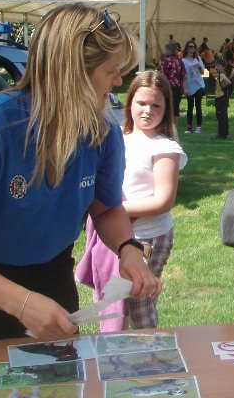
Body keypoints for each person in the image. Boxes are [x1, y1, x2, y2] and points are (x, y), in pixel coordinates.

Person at [0, 4, 161, 397]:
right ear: (71, 75)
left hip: (48, 278)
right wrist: (21, 302)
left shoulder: (101, 132)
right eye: (111, 70)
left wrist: (129, 250)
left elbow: (106, 207)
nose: (119, 81)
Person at [78, 70, 186, 330]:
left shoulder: (164, 148)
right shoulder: (117, 138)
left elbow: (163, 200)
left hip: (146, 238)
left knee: (138, 301)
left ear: (167, 109)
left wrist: (113, 210)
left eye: (156, 105)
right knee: (110, 301)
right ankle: (114, 354)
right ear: (130, 104)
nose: (147, 110)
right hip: (111, 240)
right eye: (141, 103)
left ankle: (149, 355)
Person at [181, 40, 206, 134]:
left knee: (198, 105)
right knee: (190, 106)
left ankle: (198, 127)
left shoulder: (198, 59)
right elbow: (183, 75)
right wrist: (185, 87)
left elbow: (203, 72)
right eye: (190, 47)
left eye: (193, 47)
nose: (192, 49)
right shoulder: (183, 61)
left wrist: (199, 67)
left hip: (199, 85)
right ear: (186, 48)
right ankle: (189, 127)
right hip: (189, 85)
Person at [160, 42, 185, 130]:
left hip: (168, 86)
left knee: (167, 107)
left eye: (166, 50)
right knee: (176, 109)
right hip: (177, 87)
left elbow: (163, 75)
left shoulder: (166, 61)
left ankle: (167, 128)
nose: (165, 51)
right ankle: (175, 129)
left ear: (169, 50)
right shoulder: (180, 61)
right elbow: (183, 75)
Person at [212, 58, 232, 140]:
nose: (216, 67)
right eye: (215, 65)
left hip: (221, 97)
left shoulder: (222, 75)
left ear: (223, 67)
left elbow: (228, 82)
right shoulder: (222, 74)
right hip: (221, 97)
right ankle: (223, 133)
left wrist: (223, 87)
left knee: (221, 116)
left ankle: (221, 134)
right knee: (222, 115)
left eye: (218, 66)